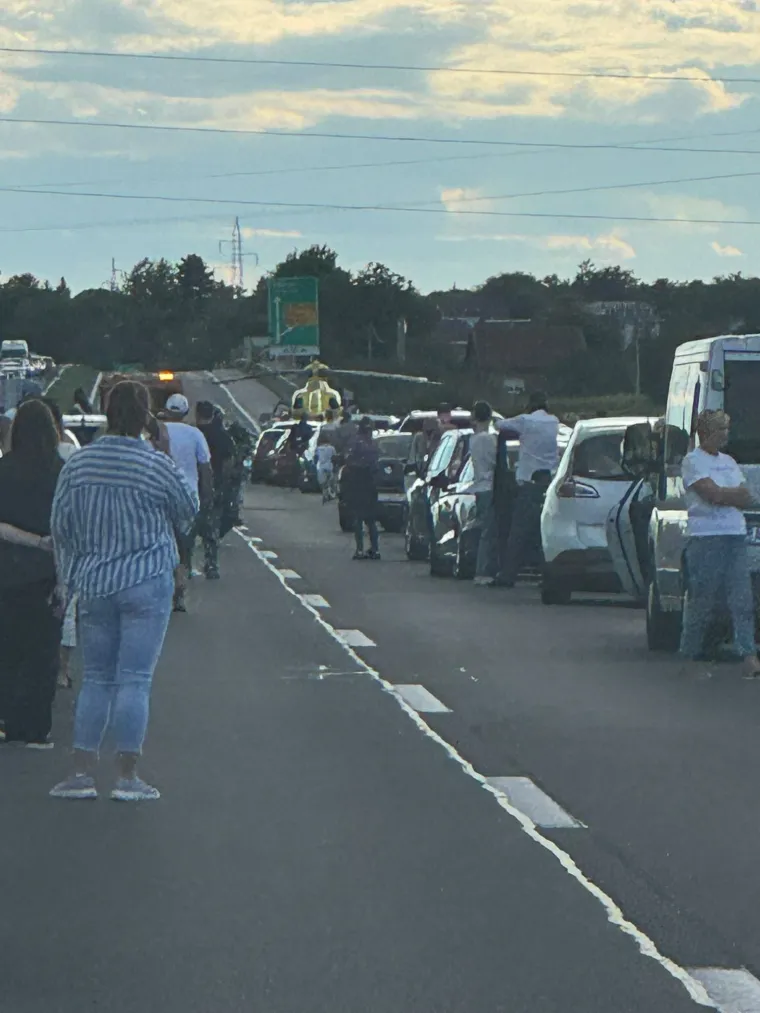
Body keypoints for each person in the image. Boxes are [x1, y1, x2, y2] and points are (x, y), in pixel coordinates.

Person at [50, 380, 197, 801]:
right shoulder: (154, 463)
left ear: (107, 412)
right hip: (147, 580)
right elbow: (188, 512)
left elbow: (60, 524)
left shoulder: (79, 464)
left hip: (94, 582)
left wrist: (70, 574)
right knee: (135, 679)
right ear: (146, 416)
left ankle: (80, 773)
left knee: (95, 677)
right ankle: (127, 777)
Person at [0, 400, 63, 747]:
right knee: (42, 653)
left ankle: (9, 721)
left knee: (8, 650)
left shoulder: (4, 470)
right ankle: (38, 727)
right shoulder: (61, 470)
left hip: (7, 571)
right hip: (47, 574)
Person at [679, 410, 760, 677]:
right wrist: (729, 495)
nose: (725, 434)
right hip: (706, 537)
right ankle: (690, 655)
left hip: (734, 535)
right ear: (706, 432)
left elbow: (745, 496)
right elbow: (709, 493)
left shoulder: (729, 461)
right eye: (720, 429)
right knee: (703, 600)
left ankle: (748, 655)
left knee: (742, 598)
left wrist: (727, 495)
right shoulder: (693, 461)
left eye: (726, 429)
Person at [494, 391, 560, 587]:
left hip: (528, 483)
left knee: (519, 532)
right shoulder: (554, 421)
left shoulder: (525, 421)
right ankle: (547, 575)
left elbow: (500, 425)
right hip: (548, 483)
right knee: (544, 533)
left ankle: (508, 575)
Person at [161, 393, 211, 610]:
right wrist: (207, 495)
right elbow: (205, 466)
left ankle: (165, 585)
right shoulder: (195, 434)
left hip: (160, 495)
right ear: (185, 412)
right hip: (188, 497)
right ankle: (180, 586)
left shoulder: (158, 432)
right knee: (184, 545)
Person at [195, 400, 235, 579]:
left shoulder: (193, 434)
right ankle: (211, 565)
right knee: (211, 527)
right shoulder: (222, 436)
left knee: (185, 528)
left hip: (190, 485)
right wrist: (224, 485)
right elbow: (228, 462)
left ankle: (184, 565)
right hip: (214, 486)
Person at [342, 417, 380, 560]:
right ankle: (374, 549)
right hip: (370, 484)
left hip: (359, 484)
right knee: (370, 520)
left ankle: (360, 549)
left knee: (358, 519)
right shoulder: (373, 445)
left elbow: (349, 461)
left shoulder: (356, 443)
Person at [469, 401, 499, 586]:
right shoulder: (489, 440)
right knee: (488, 532)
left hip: (479, 486)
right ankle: (483, 571)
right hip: (489, 487)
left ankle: (480, 568)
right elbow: (495, 462)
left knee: (482, 530)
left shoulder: (473, 440)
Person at [315, 433, 337, 503]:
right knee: (330, 481)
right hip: (330, 466)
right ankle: (330, 494)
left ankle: (325, 495)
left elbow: (316, 457)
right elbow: (334, 457)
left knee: (323, 483)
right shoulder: (332, 448)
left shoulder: (318, 448)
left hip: (321, 467)